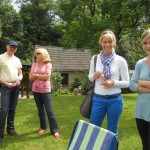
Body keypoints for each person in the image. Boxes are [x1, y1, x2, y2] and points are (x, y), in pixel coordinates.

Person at [88, 30, 130, 138]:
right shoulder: (95, 58)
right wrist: (94, 76)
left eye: (110, 42)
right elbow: (90, 77)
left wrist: (113, 82)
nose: (107, 45)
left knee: (112, 132)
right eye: (105, 42)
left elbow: (127, 83)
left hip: (115, 101)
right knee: (93, 130)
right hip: (98, 100)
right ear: (100, 42)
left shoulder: (120, 60)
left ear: (114, 43)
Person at [29, 48, 60, 139]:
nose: (36, 55)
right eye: (35, 53)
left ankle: (55, 130)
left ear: (43, 54)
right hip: (35, 90)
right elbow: (30, 77)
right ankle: (43, 127)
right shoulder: (34, 64)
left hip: (45, 90)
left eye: (38, 53)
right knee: (40, 111)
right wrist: (38, 76)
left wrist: (37, 75)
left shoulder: (48, 64)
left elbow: (47, 77)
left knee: (49, 111)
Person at [129, 29, 150, 150]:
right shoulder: (140, 64)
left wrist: (142, 82)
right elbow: (131, 84)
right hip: (141, 113)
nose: (148, 46)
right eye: (145, 43)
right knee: (145, 146)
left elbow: (137, 82)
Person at [0, 40, 23, 142]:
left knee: (12, 109)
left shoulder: (17, 60)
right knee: (4, 110)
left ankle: (10, 130)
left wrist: (19, 79)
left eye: (14, 47)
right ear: (6, 46)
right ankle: (0, 134)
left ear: (16, 49)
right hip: (5, 86)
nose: (12, 48)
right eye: (11, 46)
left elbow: (20, 73)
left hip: (15, 87)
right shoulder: (1, 58)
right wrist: (7, 84)